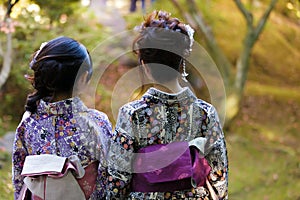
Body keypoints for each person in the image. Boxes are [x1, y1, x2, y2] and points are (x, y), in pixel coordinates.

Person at [105, 10, 228, 199]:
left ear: (145, 66)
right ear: (181, 62)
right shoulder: (205, 113)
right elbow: (219, 178)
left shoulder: (132, 114)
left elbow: (117, 180)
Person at [12, 36, 112, 199]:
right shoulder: (96, 122)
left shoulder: (28, 123)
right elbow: (108, 176)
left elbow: (19, 178)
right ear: (82, 78)